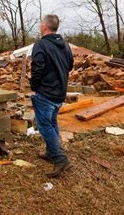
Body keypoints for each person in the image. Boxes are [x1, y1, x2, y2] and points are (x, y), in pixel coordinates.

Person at [30, 14, 74, 178]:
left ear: (44, 27)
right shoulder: (65, 45)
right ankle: (50, 152)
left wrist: (34, 87)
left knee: (44, 126)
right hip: (59, 92)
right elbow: (69, 66)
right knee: (52, 121)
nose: (40, 26)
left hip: (45, 93)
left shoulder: (40, 45)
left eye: (41, 24)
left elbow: (37, 68)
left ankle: (60, 159)